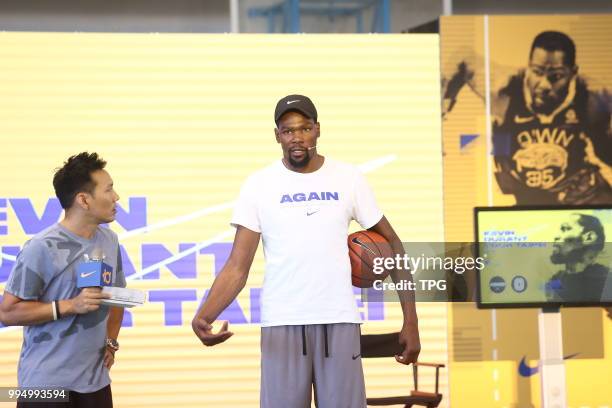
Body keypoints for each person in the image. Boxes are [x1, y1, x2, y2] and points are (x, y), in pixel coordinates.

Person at [192, 95, 421, 407]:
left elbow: (393, 246)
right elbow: (237, 265)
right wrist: (205, 315)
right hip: (282, 323)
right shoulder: (259, 185)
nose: (297, 138)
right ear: (277, 136)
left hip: (338, 320)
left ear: (317, 130)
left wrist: (411, 321)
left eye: (304, 129)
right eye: (288, 131)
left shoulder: (349, 178)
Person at [0, 152, 125, 408]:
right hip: (46, 387)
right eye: (109, 189)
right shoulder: (41, 247)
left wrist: (111, 343)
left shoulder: (109, 240)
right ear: (83, 200)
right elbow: (8, 313)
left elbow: (115, 298)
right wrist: (70, 305)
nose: (116, 197)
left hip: (96, 383)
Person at [443, 30, 612, 205]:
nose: (544, 84)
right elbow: (462, 57)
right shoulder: (504, 89)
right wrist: (440, 112)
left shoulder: (591, 96)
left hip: (580, 193)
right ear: (528, 67)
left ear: (573, 73)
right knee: (477, 145)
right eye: (537, 72)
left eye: (556, 76)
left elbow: (604, 150)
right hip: (526, 191)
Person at [546, 213, 611, 302]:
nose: (556, 237)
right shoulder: (555, 280)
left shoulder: (607, 280)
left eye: (565, 228)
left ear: (589, 237)